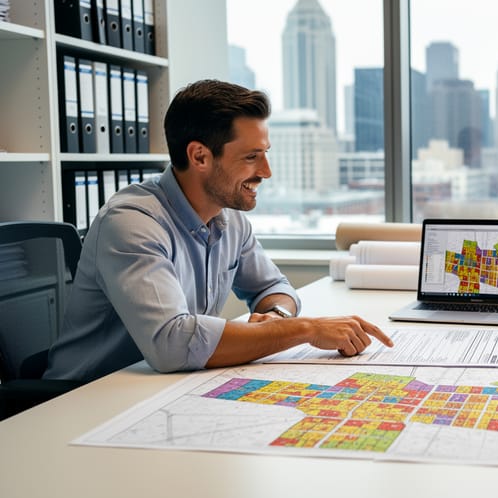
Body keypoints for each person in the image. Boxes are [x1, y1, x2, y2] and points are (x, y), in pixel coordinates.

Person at [45, 80, 392, 382]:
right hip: (86, 398)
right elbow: (172, 343)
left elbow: (274, 287)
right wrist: (305, 329)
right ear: (199, 157)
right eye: (251, 157)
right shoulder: (132, 222)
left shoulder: (230, 218)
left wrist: (276, 317)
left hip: (162, 389)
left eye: (266, 154)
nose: (267, 172)